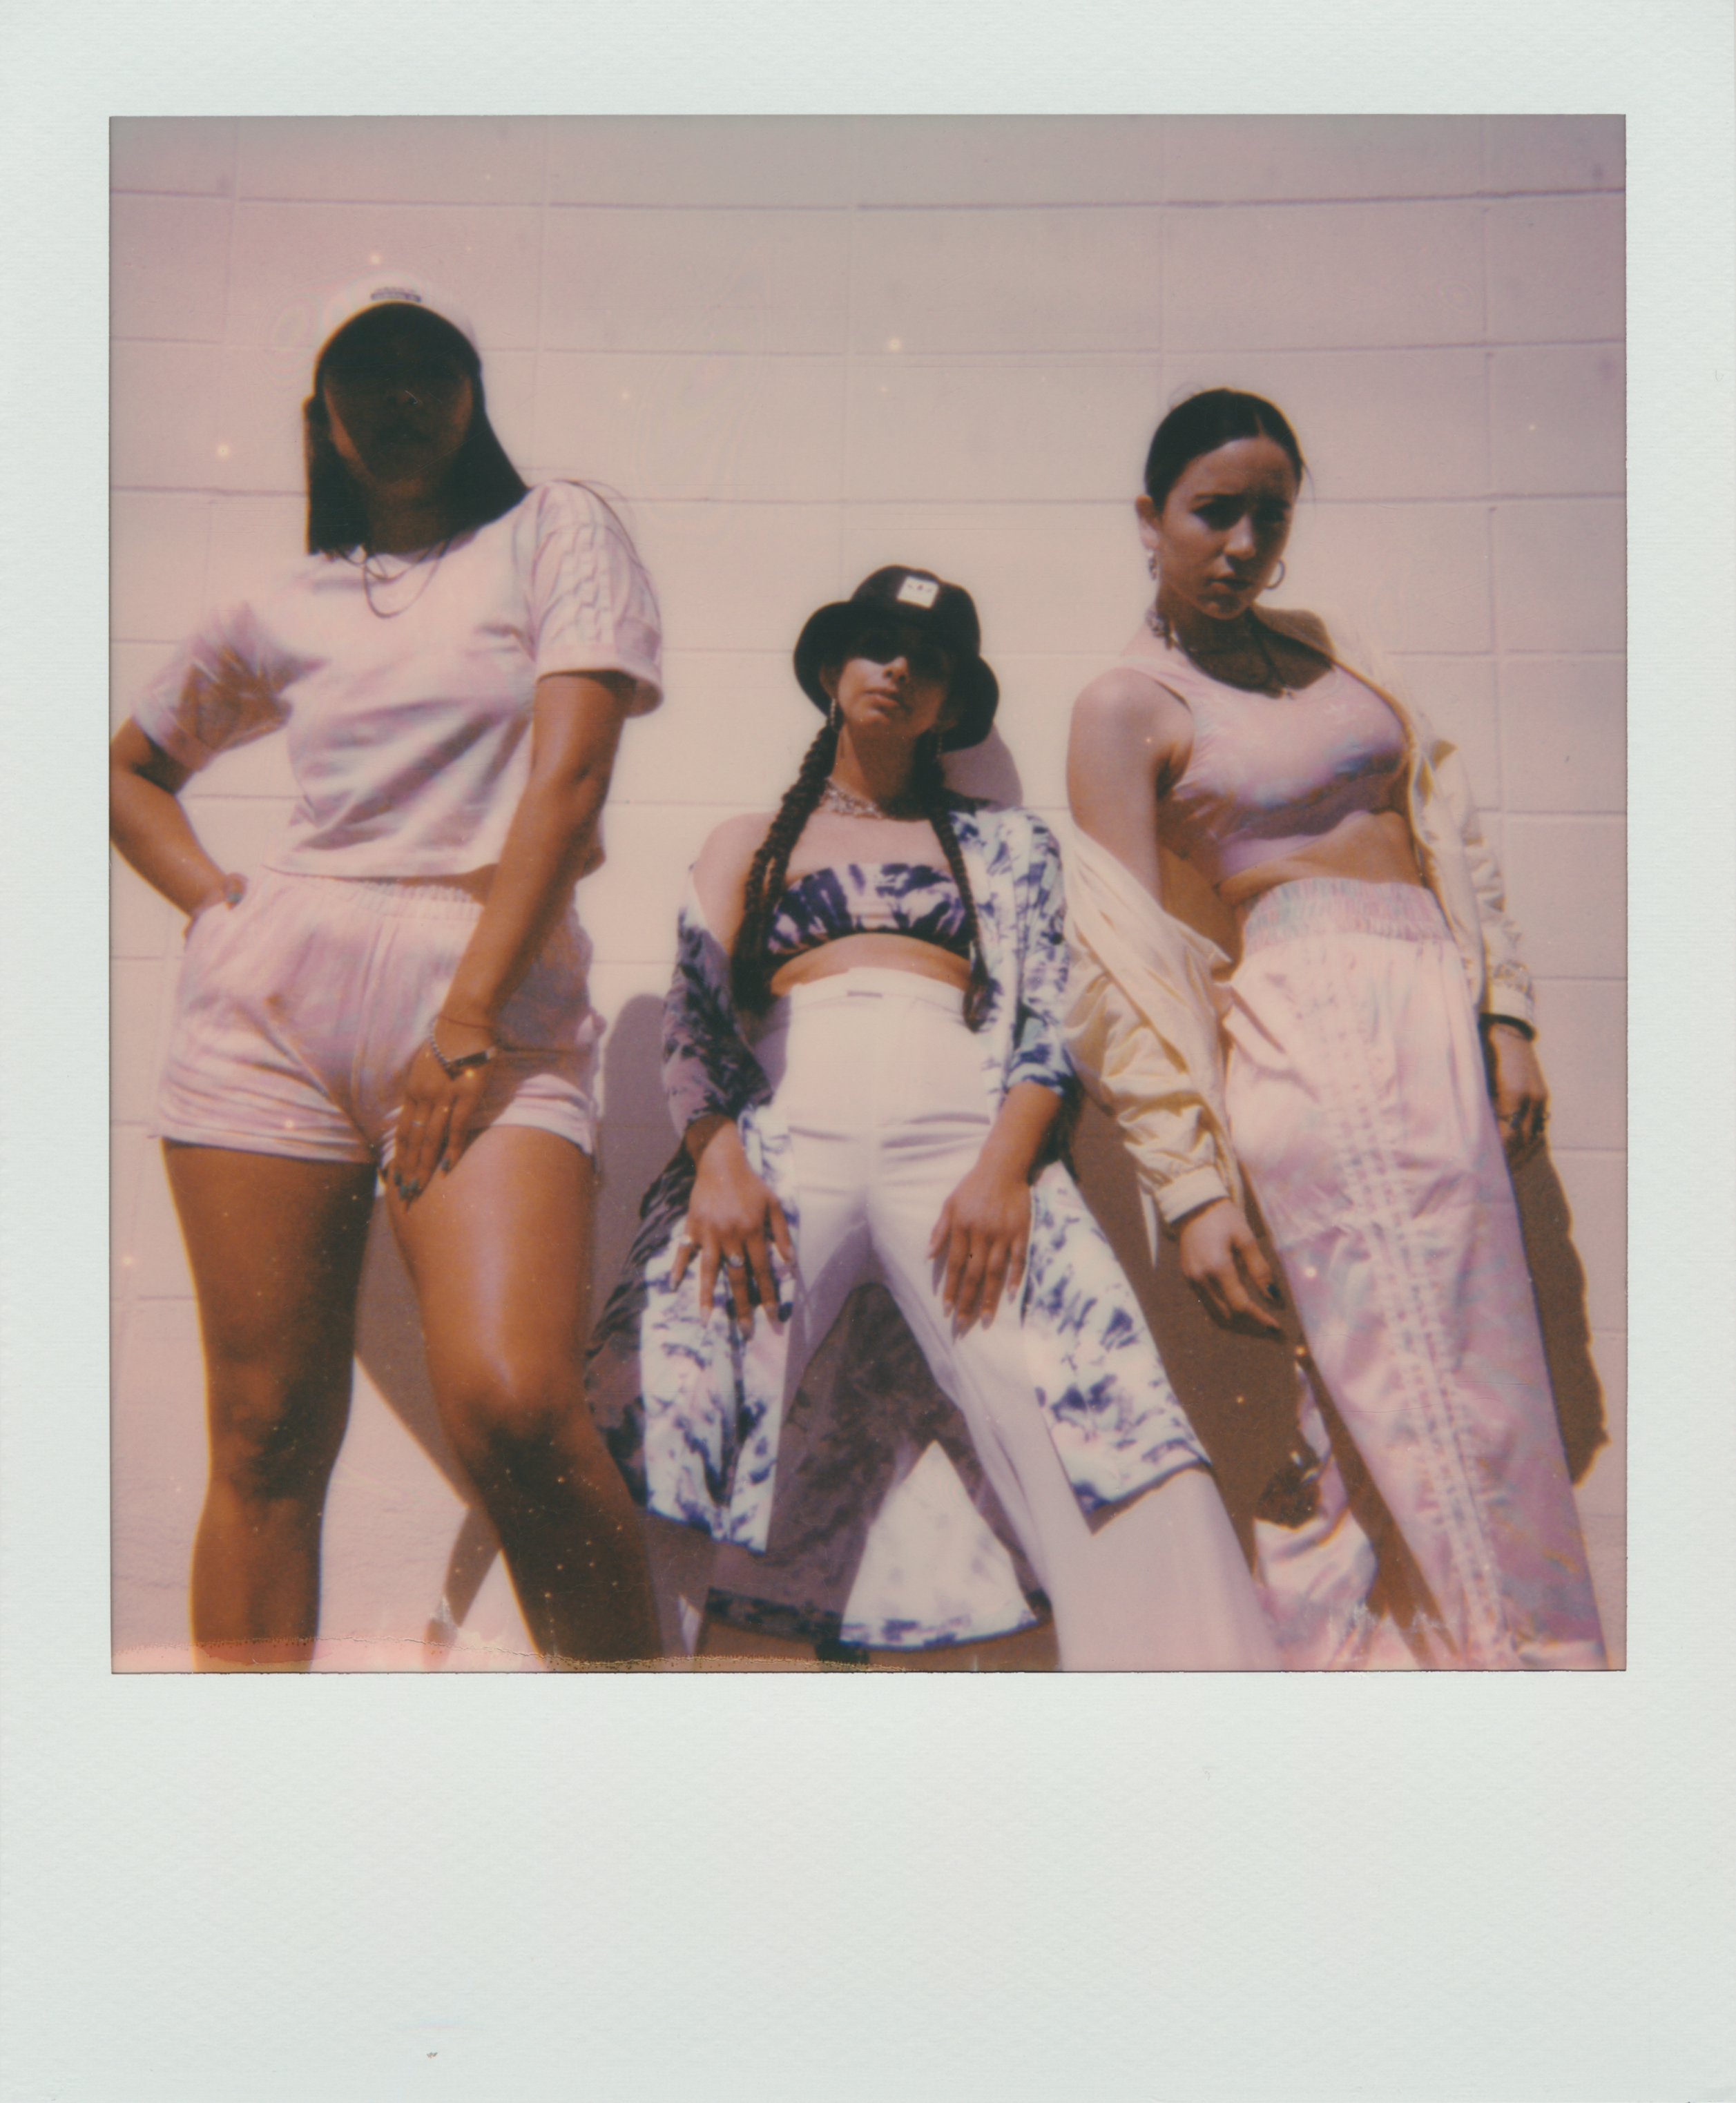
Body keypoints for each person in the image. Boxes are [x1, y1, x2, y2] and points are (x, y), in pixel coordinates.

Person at [109, 272, 664, 1668]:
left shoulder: (554, 530)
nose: (401, 396)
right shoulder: (282, 597)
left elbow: (570, 783)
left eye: (431, 368)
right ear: (324, 416)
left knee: (516, 1403)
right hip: (270, 1010)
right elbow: (130, 773)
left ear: (474, 395)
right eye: (368, 373)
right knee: (262, 1433)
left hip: (488, 997)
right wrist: (218, 907)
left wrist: (465, 1016)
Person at [586, 565, 1280, 1669]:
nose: (899, 668)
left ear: (952, 700)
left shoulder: (1007, 844)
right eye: (875, 645)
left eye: (930, 659)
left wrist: (1006, 1169)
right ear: (831, 669)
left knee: (1099, 1406)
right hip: (776, 1138)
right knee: (664, 1398)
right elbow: (692, 1018)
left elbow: (1044, 1017)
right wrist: (715, 1159)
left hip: (962, 1135)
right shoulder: (744, 840)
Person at [1063, 388, 1605, 1669]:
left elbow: (1446, 821)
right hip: (1312, 1032)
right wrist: (1192, 1186)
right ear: (1148, 516)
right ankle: (1513, 1676)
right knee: (1413, 1381)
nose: (1244, 544)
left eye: (1272, 514)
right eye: (1213, 512)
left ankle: (1400, 1680)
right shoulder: (1124, 703)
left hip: (1435, 1012)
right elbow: (1120, 967)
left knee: (1465, 1383)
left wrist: (1503, 1009)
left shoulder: (1332, 648)